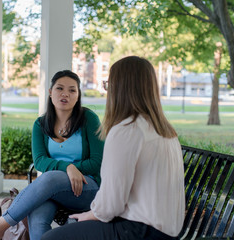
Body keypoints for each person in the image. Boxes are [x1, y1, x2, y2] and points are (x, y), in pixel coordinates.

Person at [41, 56, 185, 240]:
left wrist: (89, 215)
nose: (107, 91)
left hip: (139, 231)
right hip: (166, 231)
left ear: (120, 88)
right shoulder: (165, 131)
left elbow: (111, 204)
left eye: (109, 84)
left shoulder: (127, 130)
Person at [0, 70, 104, 240]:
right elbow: (39, 161)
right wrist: (67, 167)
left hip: (86, 188)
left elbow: (97, 162)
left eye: (72, 90)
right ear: (50, 92)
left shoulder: (89, 119)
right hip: (53, 190)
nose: (65, 94)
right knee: (37, 218)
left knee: (49, 178)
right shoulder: (40, 124)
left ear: (78, 96)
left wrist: (70, 170)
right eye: (59, 88)